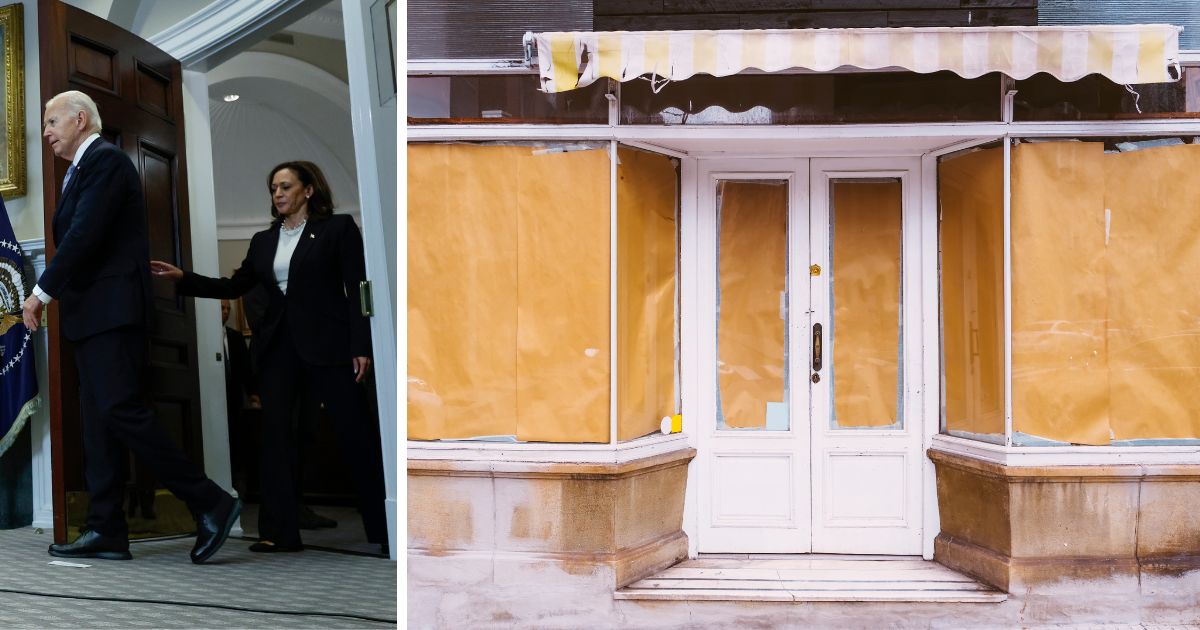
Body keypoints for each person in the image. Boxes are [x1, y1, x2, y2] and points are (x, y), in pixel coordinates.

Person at [21, 90, 241, 563]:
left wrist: (41, 292)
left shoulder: (107, 161)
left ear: (80, 120)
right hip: (92, 315)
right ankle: (106, 529)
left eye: (51, 123)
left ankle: (210, 501)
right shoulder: (80, 170)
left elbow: (83, 236)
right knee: (99, 423)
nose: (46, 134)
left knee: (122, 411)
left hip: (111, 313)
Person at [151, 160, 387, 553]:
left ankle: (384, 531)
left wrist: (360, 345)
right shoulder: (263, 241)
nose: (277, 194)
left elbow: (356, 289)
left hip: (329, 347)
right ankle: (279, 532)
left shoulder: (338, 229)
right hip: (278, 350)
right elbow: (235, 285)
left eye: (285, 186)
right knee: (276, 438)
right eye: (273, 188)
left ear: (308, 190)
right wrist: (184, 280)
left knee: (355, 434)